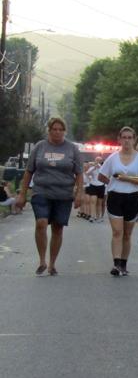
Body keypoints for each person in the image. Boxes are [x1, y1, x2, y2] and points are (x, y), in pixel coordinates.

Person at [15, 117, 84, 276]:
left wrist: (80, 193)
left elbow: (79, 173)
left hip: (63, 194)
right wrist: (22, 194)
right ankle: (42, 261)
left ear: (64, 131)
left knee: (57, 228)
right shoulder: (40, 147)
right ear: (49, 130)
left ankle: (52, 263)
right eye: (54, 129)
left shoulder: (72, 149)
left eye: (61, 129)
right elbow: (28, 171)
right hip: (41, 191)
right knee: (41, 222)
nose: (57, 132)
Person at [98, 126, 138, 276]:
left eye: (130, 138)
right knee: (117, 232)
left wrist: (127, 179)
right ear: (119, 139)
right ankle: (116, 264)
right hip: (115, 196)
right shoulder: (113, 157)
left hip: (133, 197)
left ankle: (124, 263)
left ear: (134, 139)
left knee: (127, 234)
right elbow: (101, 176)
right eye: (124, 137)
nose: (127, 140)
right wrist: (112, 181)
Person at [85, 156, 106, 223]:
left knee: (99, 203)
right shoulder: (92, 168)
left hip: (101, 185)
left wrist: (100, 167)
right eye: (96, 160)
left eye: (99, 160)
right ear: (95, 160)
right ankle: (92, 216)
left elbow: (106, 174)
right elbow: (87, 173)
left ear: (101, 161)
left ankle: (98, 217)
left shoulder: (103, 168)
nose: (97, 162)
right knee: (93, 201)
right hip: (93, 185)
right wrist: (94, 168)